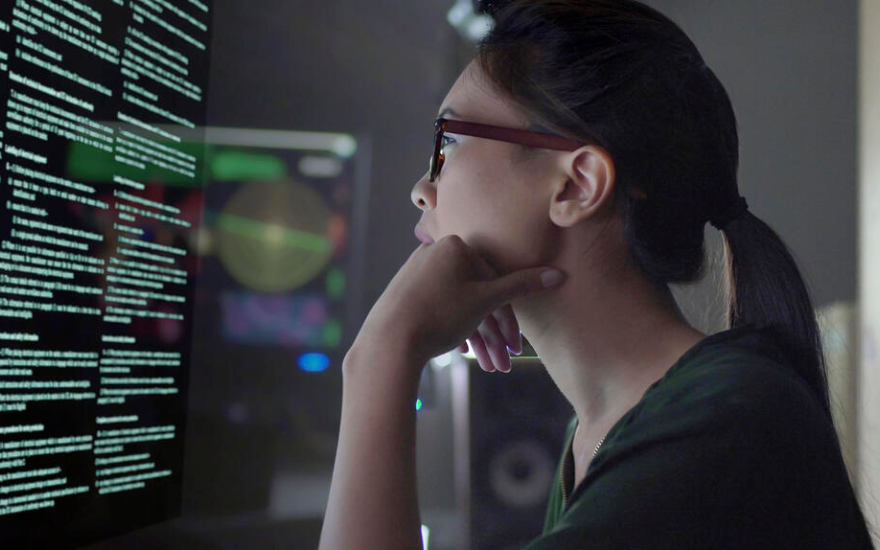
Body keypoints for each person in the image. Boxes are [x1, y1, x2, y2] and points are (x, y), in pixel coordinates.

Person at [319, 0, 877, 548]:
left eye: (450, 142)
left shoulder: (722, 420)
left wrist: (381, 356)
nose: (421, 188)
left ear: (577, 184)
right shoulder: (603, 430)